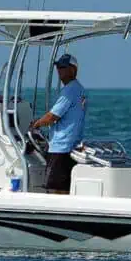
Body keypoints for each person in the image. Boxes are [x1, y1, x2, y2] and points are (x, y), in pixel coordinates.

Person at [28, 54, 87, 194]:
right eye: (58, 67)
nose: (59, 70)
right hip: (72, 146)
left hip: (61, 147)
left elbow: (52, 116)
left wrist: (36, 124)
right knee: (65, 188)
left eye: (63, 67)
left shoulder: (69, 90)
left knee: (56, 189)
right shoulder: (79, 89)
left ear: (73, 69)